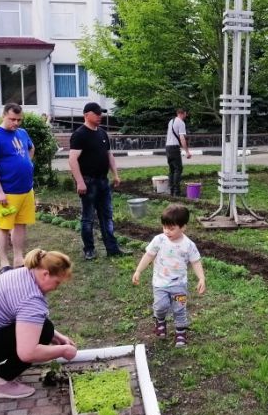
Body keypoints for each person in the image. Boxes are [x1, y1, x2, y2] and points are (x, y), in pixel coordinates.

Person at [0, 248, 78, 399]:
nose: (57, 288)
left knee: (45, 328)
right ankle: (0, 384)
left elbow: (25, 320)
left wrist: (57, 336)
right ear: (45, 274)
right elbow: (28, 353)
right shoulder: (31, 300)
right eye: (57, 282)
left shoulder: (23, 273)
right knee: (44, 331)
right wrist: (63, 351)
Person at [132, 204, 206, 347]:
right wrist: (138, 270)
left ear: (183, 227)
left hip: (179, 285)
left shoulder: (188, 245)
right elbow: (149, 255)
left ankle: (180, 332)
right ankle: (160, 321)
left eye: (171, 228)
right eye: (165, 227)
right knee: (160, 306)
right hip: (160, 283)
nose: (167, 231)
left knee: (179, 309)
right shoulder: (159, 240)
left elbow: (195, 262)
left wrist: (201, 278)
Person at [68, 101, 128, 260]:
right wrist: (79, 181)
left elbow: (109, 155)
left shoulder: (102, 133)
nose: (100, 116)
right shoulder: (79, 134)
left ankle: (112, 248)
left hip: (103, 181)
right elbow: (73, 160)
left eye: (101, 113)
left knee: (107, 215)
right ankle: (89, 249)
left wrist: (115, 174)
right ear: (86, 115)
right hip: (88, 182)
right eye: (96, 113)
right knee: (88, 218)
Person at [0, 103, 35, 274]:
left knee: (21, 224)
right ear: (3, 115)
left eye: (19, 120)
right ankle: (4, 263)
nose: (16, 123)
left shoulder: (22, 133)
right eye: (12, 119)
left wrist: (26, 163)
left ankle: (19, 258)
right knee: (4, 227)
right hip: (8, 191)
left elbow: (31, 148)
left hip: (26, 189)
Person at [165, 108, 192, 196]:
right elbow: (182, 138)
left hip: (168, 147)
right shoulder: (181, 122)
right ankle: (177, 192)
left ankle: (171, 191)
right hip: (174, 147)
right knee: (178, 169)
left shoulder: (171, 121)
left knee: (172, 169)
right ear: (183, 113)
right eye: (185, 114)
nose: (186, 115)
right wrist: (187, 151)